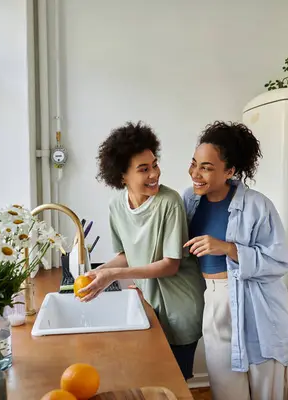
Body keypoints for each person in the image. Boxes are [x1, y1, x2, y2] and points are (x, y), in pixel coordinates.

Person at [78, 121, 205, 381]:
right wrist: (98, 273)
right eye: (143, 169)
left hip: (180, 305)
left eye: (155, 165)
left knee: (175, 384)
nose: (154, 174)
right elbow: (127, 254)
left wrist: (113, 275)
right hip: (148, 303)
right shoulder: (116, 206)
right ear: (122, 175)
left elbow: (171, 265)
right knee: (150, 379)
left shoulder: (169, 203)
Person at [183, 121, 288, 400]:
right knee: (225, 391)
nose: (196, 173)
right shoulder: (190, 202)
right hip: (215, 303)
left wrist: (228, 248)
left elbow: (278, 262)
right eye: (194, 163)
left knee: (265, 392)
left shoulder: (258, 205)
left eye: (206, 167)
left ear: (230, 171)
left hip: (257, 305)